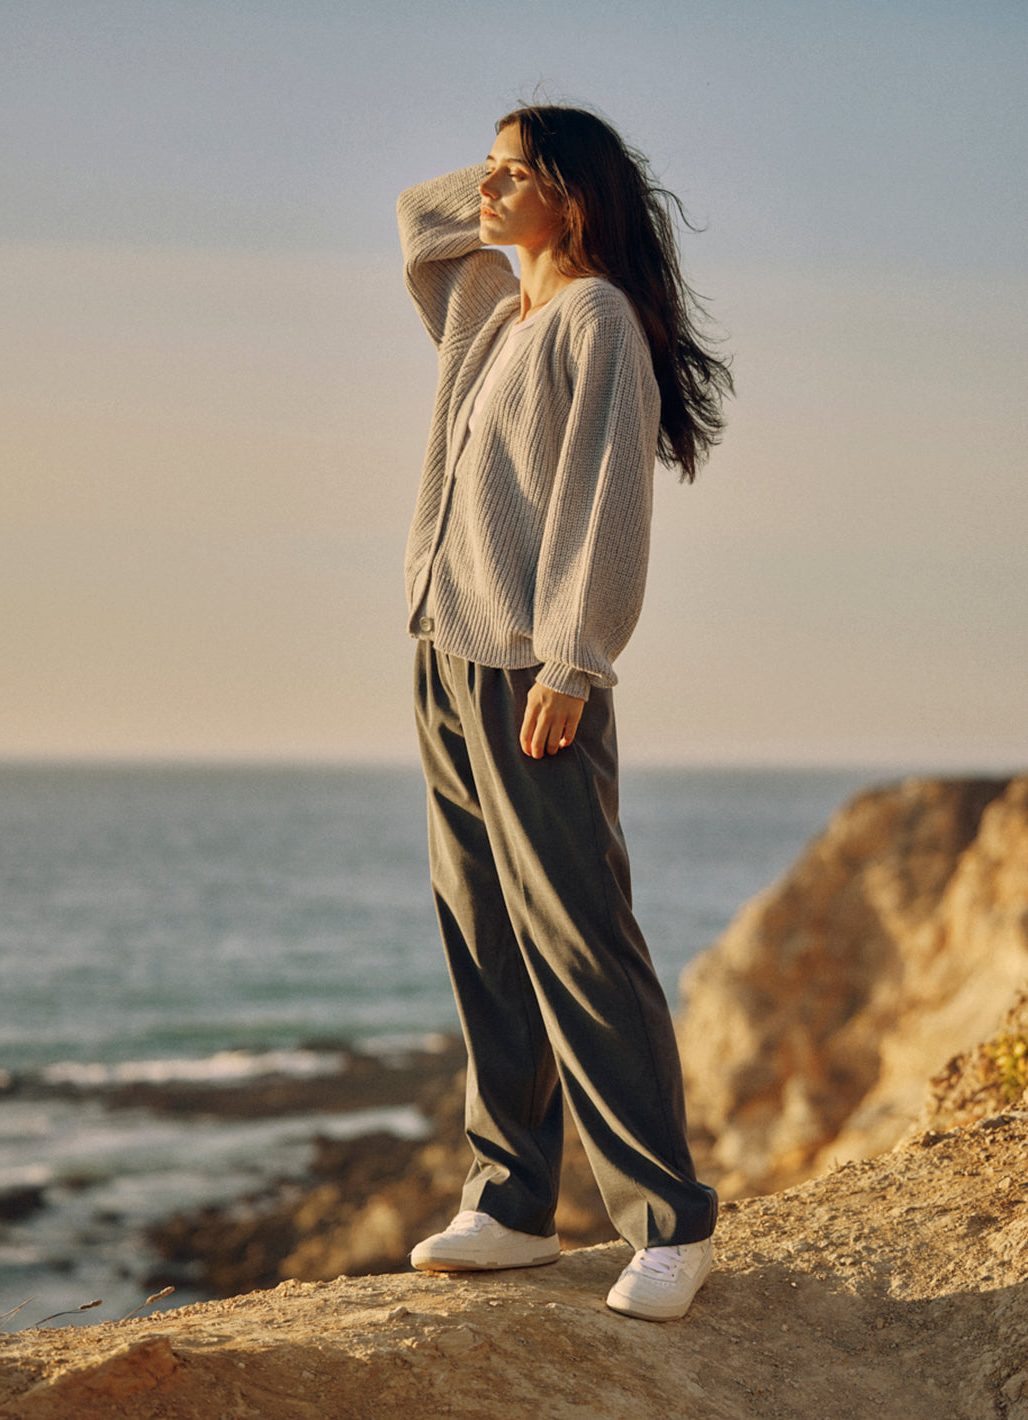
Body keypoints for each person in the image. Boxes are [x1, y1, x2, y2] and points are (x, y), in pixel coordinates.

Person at [396, 104, 731, 1322]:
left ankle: (670, 1220)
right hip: (446, 653)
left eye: (510, 173)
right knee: (482, 928)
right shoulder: (493, 314)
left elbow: (604, 499)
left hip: (536, 666)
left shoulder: (594, 320)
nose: (481, 189)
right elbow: (416, 224)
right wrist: (511, 170)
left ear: (572, 194)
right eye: (484, 168)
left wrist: (573, 660)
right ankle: (512, 1204)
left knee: (579, 935)